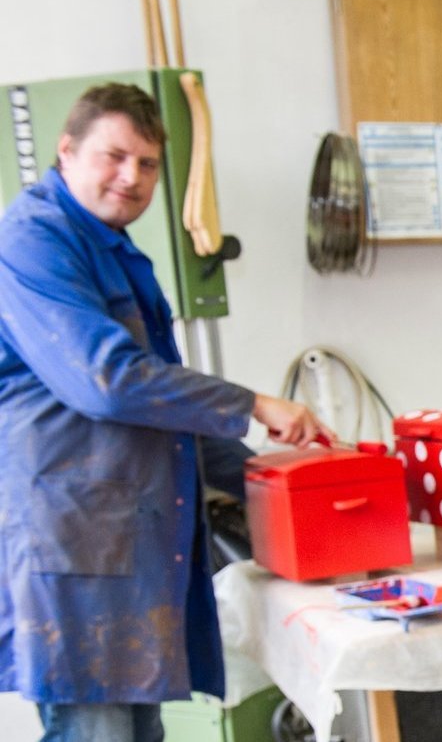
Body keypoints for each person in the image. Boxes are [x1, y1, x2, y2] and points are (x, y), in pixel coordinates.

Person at [0, 83, 330, 742]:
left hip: (131, 548)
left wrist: (288, 487)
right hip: (73, 548)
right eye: (114, 156)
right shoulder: (31, 240)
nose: (131, 177)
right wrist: (252, 403)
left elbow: (167, 411)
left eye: (147, 164)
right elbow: (110, 380)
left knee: (140, 733)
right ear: (66, 151)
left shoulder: (116, 248)